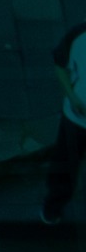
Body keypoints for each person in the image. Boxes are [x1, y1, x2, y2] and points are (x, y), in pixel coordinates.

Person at [43, 21, 83, 226]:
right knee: (64, 166)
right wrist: (72, 96)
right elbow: (60, 65)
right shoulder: (78, 35)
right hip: (75, 120)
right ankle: (53, 206)